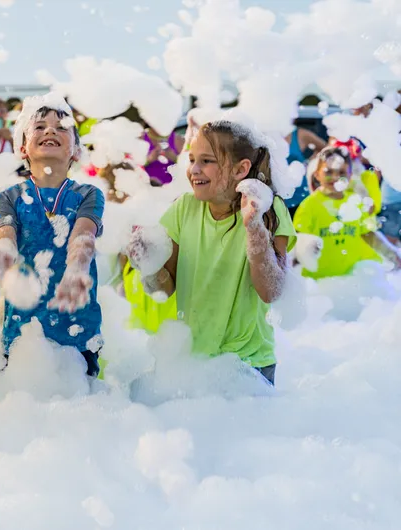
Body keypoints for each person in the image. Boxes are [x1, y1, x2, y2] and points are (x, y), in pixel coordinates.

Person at [129, 120, 297, 385]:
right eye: (192, 159)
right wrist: (148, 264)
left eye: (207, 161)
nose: (193, 169)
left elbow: (273, 291)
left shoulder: (268, 208)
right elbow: (164, 289)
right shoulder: (184, 208)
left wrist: (254, 228)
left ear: (240, 169)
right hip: (192, 360)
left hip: (248, 363)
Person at [0, 94, 105, 377]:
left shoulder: (88, 195)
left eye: (61, 127)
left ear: (77, 151)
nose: (50, 131)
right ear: (23, 148)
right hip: (22, 335)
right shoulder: (9, 197)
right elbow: (5, 234)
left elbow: (84, 236)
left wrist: (77, 269)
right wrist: (1, 252)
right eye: (40, 126)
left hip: (78, 335)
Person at [293, 146, 401, 278]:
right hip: (318, 281)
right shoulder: (309, 206)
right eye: (329, 171)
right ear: (317, 175)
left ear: (350, 176)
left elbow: (367, 234)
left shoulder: (355, 202)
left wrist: (392, 253)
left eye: (341, 172)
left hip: (350, 277)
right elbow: (297, 242)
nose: (335, 177)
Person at [283, 124, 327, 215]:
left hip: (300, 195)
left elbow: (325, 149)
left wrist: (309, 163)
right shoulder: (267, 133)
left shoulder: (300, 134)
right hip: (276, 197)